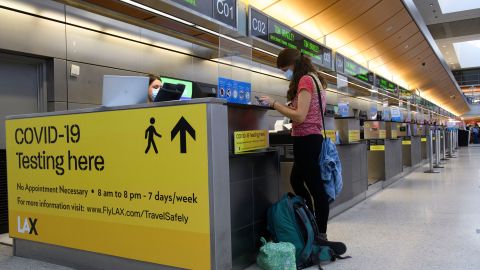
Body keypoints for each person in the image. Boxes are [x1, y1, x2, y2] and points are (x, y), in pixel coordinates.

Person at [260, 48, 330, 239]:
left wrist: (274, 104)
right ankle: (309, 220)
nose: (285, 73)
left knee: (316, 189)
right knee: (296, 180)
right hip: (308, 139)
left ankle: (320, 234)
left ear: (293, 64)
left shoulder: (306, 80)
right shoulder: (316, 79)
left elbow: (300, 116)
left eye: (285, 69)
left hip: (307, 140)